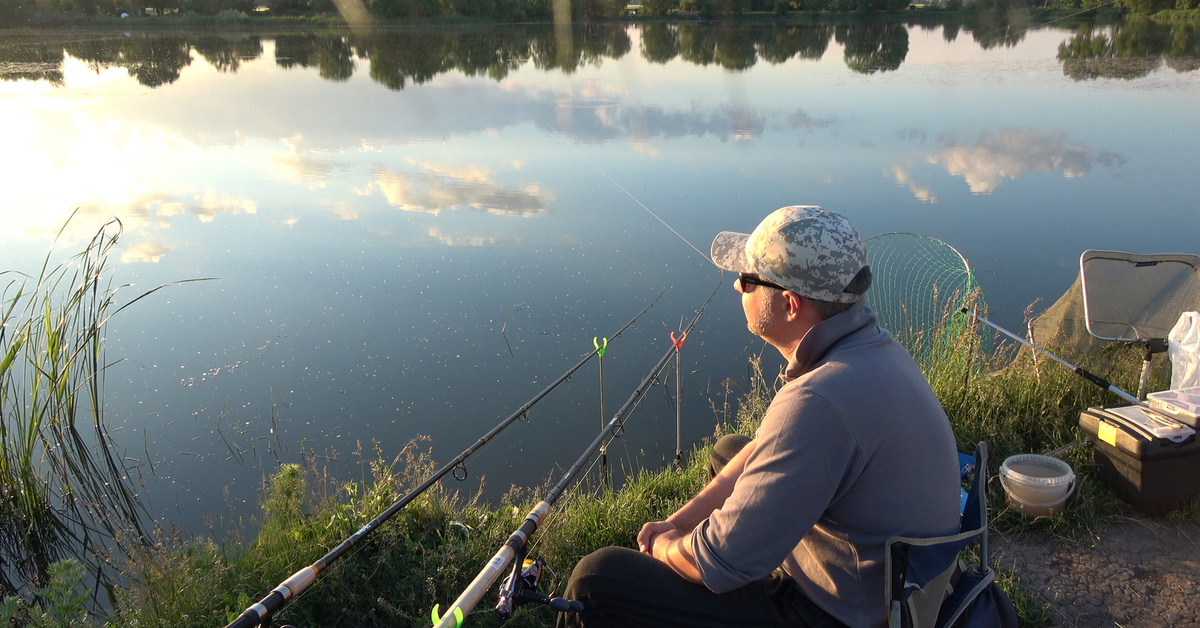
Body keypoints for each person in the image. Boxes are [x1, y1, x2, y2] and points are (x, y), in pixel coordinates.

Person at [556, 206, 962, 628]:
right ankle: (758, 547)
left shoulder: (818, 401)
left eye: (749, 280)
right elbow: (762, 451)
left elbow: (715, 562)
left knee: (596, 578)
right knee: (729, 451)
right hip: (888, 581)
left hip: (841, 614)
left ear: (790, 305)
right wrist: (678, 521)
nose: (736, 285)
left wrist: (667, 545)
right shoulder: (867, 349)